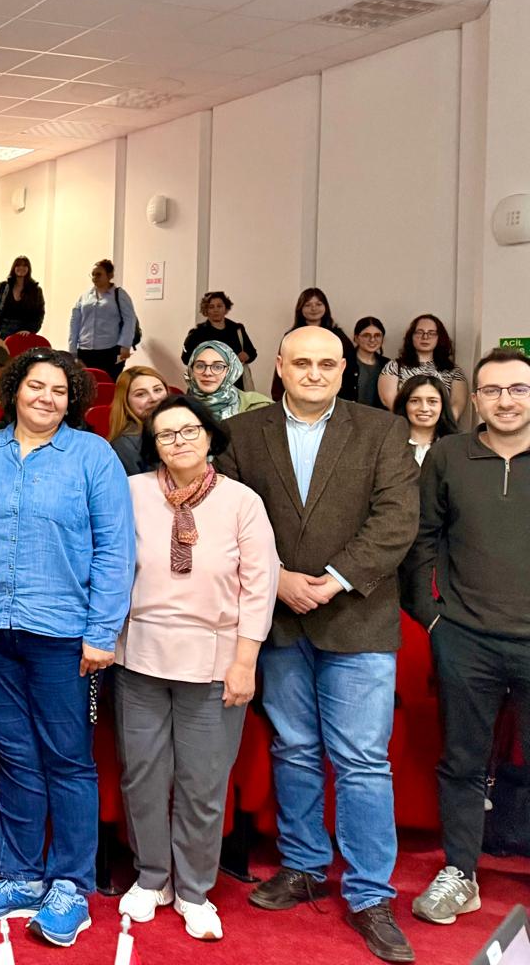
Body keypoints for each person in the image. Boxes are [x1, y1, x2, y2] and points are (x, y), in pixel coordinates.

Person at [216, 326, 419, 964]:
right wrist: (276, 579)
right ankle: (304, 865)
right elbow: (226, 517)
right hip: (277, 618)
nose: (313, 373)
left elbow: (396, 520)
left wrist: (332, 581)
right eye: (301, 362)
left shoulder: (382, 430)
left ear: (343, 369)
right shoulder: (242, 434)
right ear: (278, 366)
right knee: (295, 748)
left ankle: (369, 894)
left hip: (356, 617)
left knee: (361, 760)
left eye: (326, 364)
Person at [0, 347, 133, 947]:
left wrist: (102, 632)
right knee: (16, 753)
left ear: (73, 400)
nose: (46, 398)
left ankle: (70, 884)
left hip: (63, 633)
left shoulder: (93, 456)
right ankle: (21, 876)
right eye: (35, 386)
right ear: (14, 391)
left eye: (59, 390)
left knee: (68, 759)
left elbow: (116, 549)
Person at [114, 395, 279, 942]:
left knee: (203, 783)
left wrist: (245, 661)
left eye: (189, 431)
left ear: (210, 437)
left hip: (216, 661)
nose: (179, 441)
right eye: (166, 434)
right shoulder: (132, 492)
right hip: (139, 656)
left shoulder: (242, 501)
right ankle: (151, 877)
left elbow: (260, 586)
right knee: (142, 774)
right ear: (153, 445)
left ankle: (193, 889)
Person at [400, 348, 530, 927]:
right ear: (474, 399)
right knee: (462, 762)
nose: (506, 400)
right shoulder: (449, 455)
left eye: (518, 389)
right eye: (493, 390)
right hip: (466, 638)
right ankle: (461, 873)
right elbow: (420, 538)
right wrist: (432, 618)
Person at [272, 288, 356, 402]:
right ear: (300, 308)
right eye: (307, 305)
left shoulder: (338, 336)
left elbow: (350, 369)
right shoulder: (291, 336)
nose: (314, 308)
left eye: (318, 304)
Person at [377, 314, 467, 420]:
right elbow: (388, 400)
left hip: (441, 428)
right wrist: (414, 423)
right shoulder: (394, 366)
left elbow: (457, 405)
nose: (425, 337)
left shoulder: (454, 370)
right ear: (411, 336)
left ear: (440, 337)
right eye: (419, 332)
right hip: (404, 425)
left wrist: (440, 425)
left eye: (431, 333)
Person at [69, 259, 137, 381]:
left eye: (99, 274)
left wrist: (125, 345)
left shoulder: (119, 294)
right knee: (87, 385)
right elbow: (75, 322)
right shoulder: (84, 297)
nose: (95, 277)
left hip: (110, 350)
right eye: (93, 274)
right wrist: (72, 349)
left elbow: (130, 320)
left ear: (110, 275)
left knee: (108, 383)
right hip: (85, 350)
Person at [186, 341, 271, 422]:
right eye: (200, 366)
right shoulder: (181, 408)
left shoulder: (259, 407)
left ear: (230, 371)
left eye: (218, 367)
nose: (207, 373)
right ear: (191, 370)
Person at [107, 366, 168, 475]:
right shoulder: (124, 444)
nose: (154, 398)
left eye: (157, 390)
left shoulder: (185, 427)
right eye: (141, 394)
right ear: (126, 402)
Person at [181, 292, 258, 369]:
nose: (216, 310)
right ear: (206, 310)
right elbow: (186, 358)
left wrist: (246, 356)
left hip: (235, 375)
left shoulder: (237, 329)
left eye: (219, 306)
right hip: (209, 375)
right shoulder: (197, 333)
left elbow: (252, 352)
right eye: (211, 307)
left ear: (226, 308)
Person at [393, 373, 457, 465]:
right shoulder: (388, 443)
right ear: (404, 404)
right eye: (415, 401)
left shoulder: (456, 446)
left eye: (432, 401)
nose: (424, 408)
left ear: (443, 406)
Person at [0, 256, 45, 340]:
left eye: (24, 265)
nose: (21, 268)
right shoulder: (2, 287)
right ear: (13, 268)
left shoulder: (35, 290)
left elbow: (39, 314)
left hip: (23, 333)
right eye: (18, 265)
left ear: (28, 269)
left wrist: (30, 330)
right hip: (1, 330)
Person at [352, 317, 389, 408]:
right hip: (348, 415)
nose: (372, 339)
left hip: (378, 416)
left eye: (377, 335)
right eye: (366, 335)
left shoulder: (388, 365)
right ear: (356, 338)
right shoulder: (345, 363)